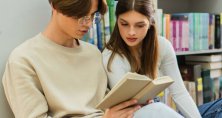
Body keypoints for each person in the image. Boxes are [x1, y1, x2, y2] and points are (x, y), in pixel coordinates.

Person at [2, 0, 181, 118]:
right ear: (54, 5)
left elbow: (106, 104)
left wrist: (134, 103)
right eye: (80, 16)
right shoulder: (23, 59)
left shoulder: (92, 53)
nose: (87, 23)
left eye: (92, 16)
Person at [102, 0, 222, 118]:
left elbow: (179, 93)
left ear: (151, 23)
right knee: (157, 108)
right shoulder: (111, 55)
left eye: (140, 25)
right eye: (124, 24)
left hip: (163, 112)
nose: (131, 32)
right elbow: (131, 107)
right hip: (140, 113)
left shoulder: (162, 46)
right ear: (117, 21)